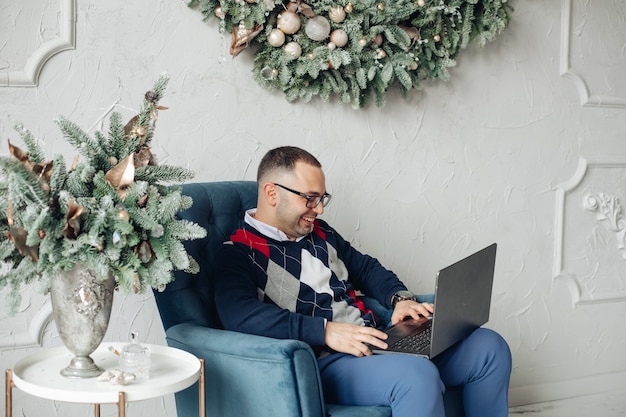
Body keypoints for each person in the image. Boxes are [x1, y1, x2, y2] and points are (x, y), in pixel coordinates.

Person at [215, 146, 512, 417]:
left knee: (489, 347)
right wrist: (325, 331)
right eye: (310, 198)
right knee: (416, 377)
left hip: (377, 340)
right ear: (271, 193)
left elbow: (365, 268)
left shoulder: (320, 233)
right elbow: (239, 315)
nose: (318, 209)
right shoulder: (239, 252)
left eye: (322, 199)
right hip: (326, 363)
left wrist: (399, 299)